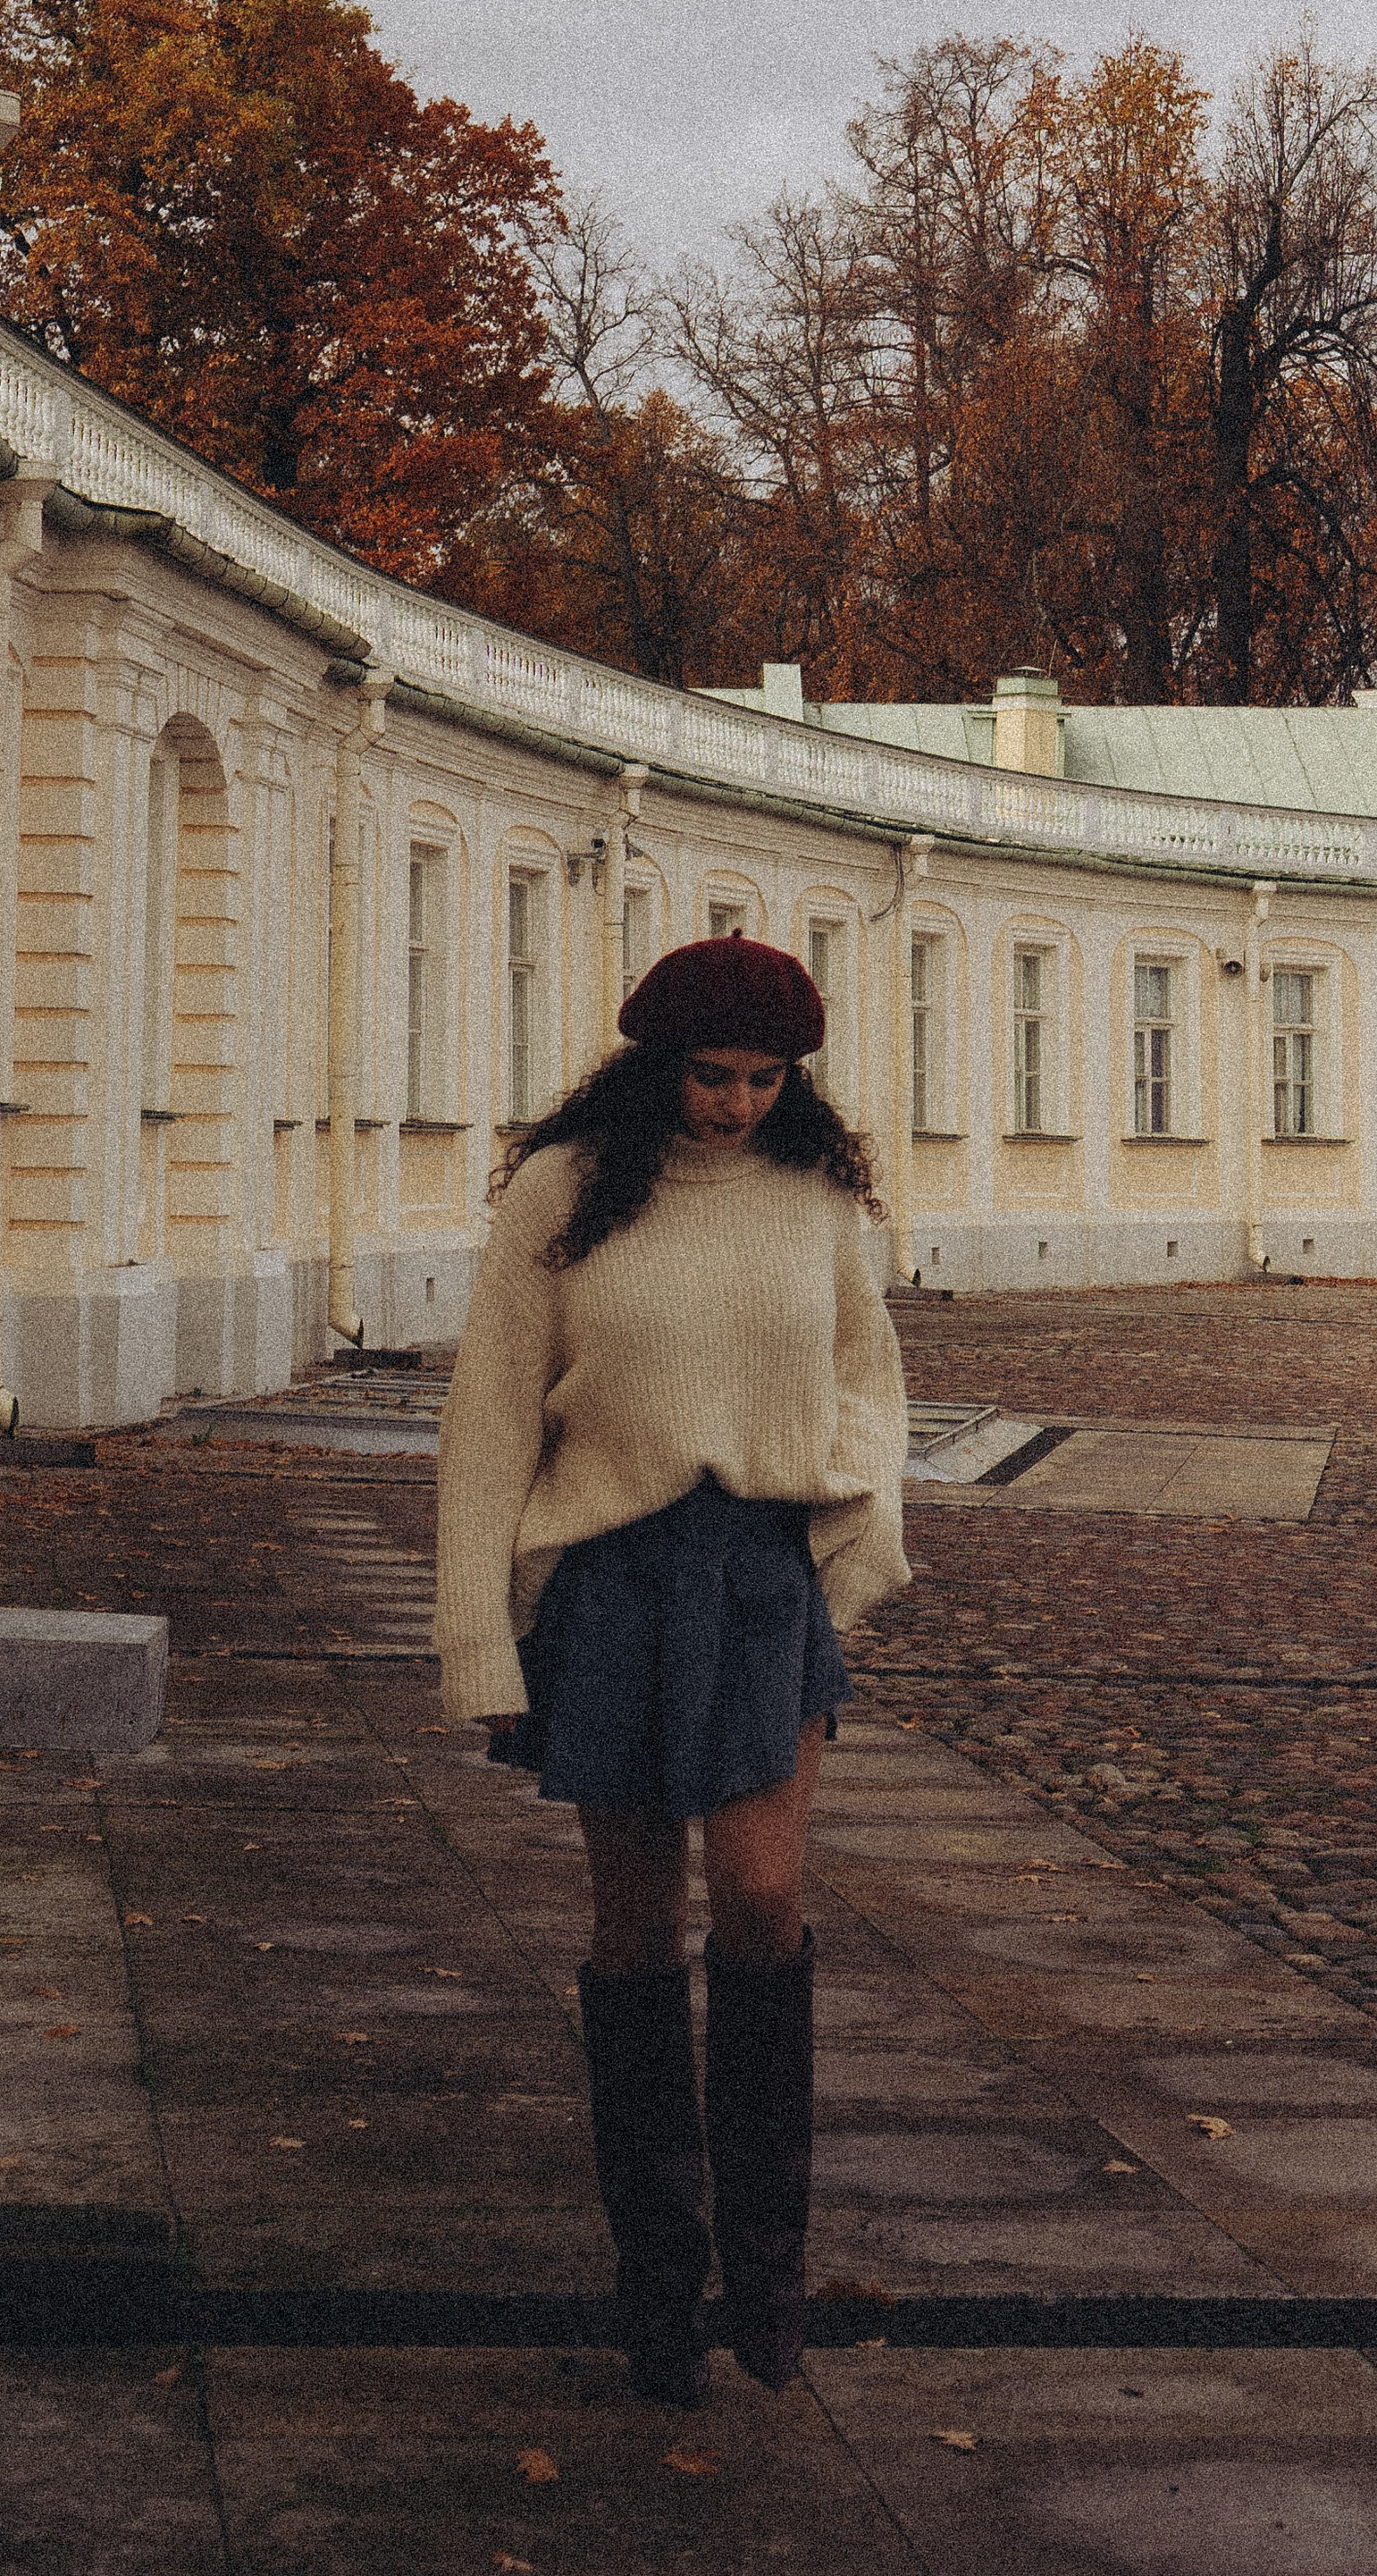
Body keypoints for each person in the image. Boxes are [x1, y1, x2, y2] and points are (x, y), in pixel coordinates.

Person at [431, 934, 909, 2406]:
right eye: (712, 1076)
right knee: (634, 1930)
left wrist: (848, 1541)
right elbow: (494, 1414)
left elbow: (869, 1385)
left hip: (762, 1578)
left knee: (764, 1896)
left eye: (766, 1080)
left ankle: (769, 2273)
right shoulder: (559, 1196)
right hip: (613, 1585)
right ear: (656, 1064)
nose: (736, 1105)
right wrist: (477, 1637)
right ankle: (659, 2280)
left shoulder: (818, 1201)